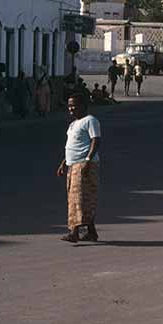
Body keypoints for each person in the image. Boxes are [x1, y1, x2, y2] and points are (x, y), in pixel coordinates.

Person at [57, 93, 102, 243]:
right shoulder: (73, 124)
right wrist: (64, 163)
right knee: (81, 199)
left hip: (84, 164)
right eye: (69, 106)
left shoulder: (90, 121)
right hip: (73, 164)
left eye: (74, 105)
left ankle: (74, 232)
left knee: (78, 199)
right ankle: (91, 232)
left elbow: (95, 140)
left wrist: (88, 160)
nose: (71, 108)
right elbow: (72, 146)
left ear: (83, 106)